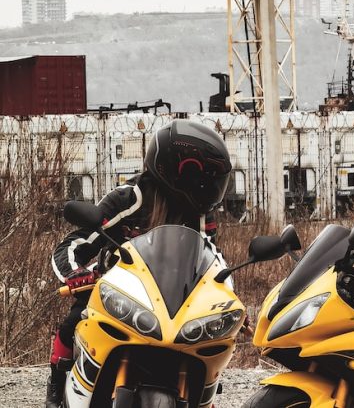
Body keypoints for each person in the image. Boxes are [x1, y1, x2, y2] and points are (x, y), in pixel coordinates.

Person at [45, 120, 232, 408]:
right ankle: (56, 390)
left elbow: (211, 262)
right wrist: (76, 275)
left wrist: (226, 297)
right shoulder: (130, 200)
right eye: (204, 176)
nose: (210, 186)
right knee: (74, 321)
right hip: (121, 297)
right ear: (178, 170)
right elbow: (74, 245)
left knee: (206, 347)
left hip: (175, 305)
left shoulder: (200, 216)